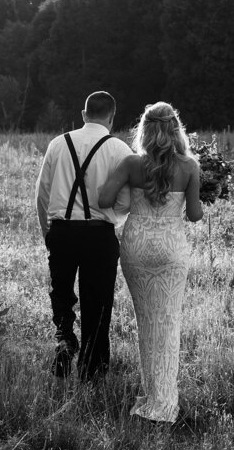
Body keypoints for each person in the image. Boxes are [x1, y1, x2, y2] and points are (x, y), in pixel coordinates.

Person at [99, 101, 203, 422]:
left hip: (138, 246)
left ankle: (151, 397)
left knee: (146, 322)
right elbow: (195, 215)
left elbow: (104, 199)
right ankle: (164, 402)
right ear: (175, 130)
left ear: (144, 130)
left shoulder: (131, 164)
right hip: (171, 248)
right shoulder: (189, 166)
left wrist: (129, 197)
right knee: (168, 321)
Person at [35, 91, 133, 380]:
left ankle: (65, 337)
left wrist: (48, 233)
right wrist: (112, 217)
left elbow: (41, 194)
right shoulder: (119, 149)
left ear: (83, 114)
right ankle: (92, 371)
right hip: (99, 236)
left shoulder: (57, 143)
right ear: (112, 117)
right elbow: (126, 201)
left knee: (61, 293)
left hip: (62, 231)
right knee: (98, 303)